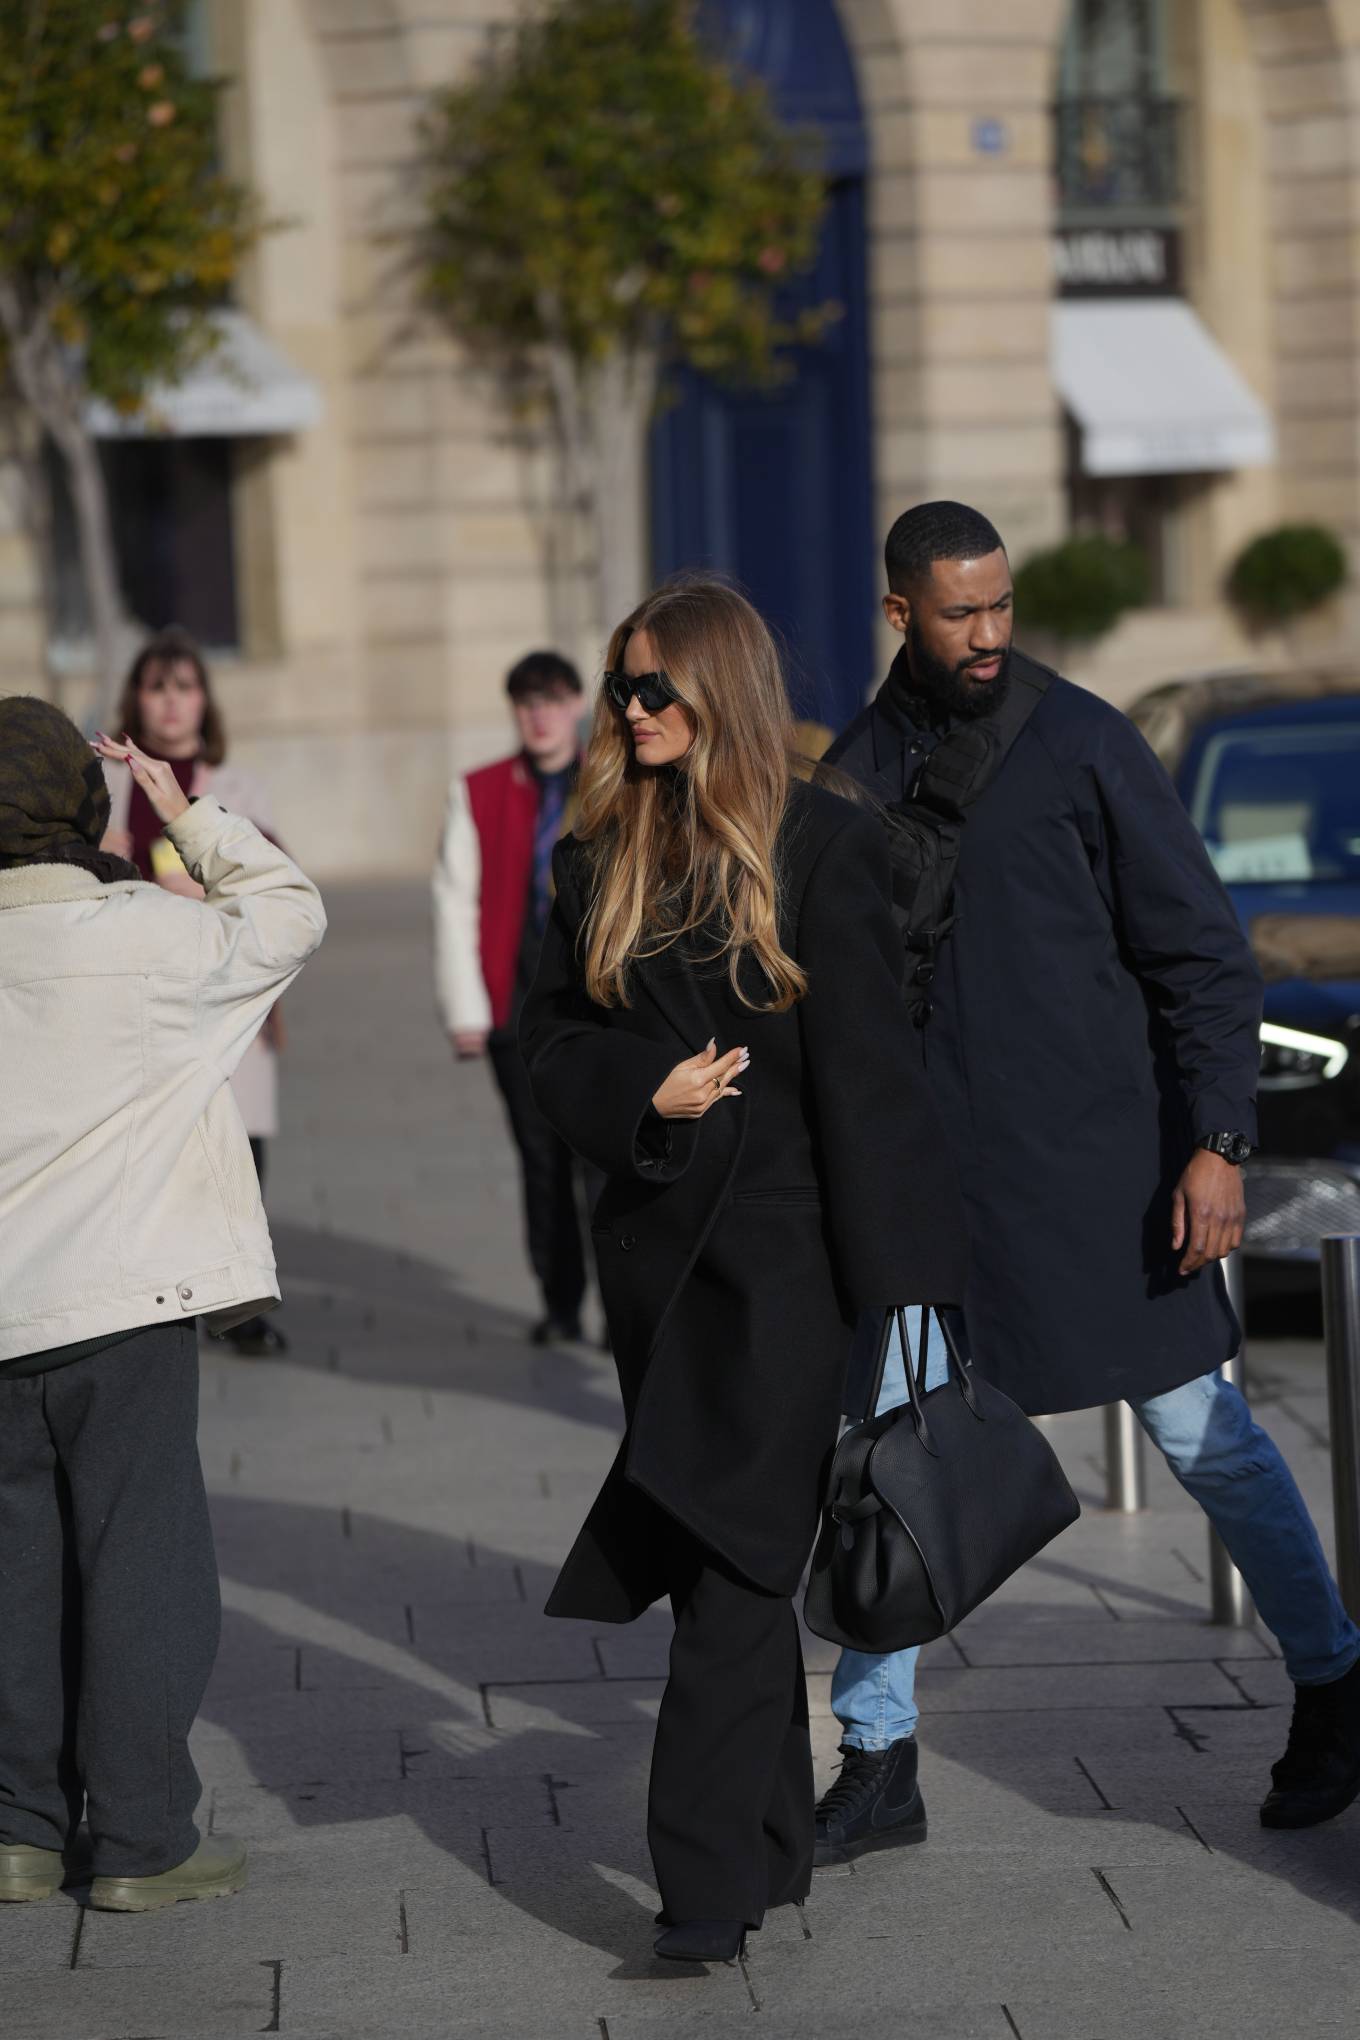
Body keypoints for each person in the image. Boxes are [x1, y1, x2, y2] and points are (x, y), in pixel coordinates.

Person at [812, 500, 1360, 1867]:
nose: (990, 635)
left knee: (1204, 1437)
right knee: (883, 1461)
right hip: (929, 1200)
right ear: (900, 616)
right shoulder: (858, 767)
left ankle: (1338, 1680)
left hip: (1112, 1187)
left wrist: (1218, 1146)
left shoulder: (1084, 741)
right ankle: (877, 1757)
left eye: (1001, 607)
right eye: (961, 613)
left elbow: (1204, 960)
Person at [519, 578, 966, 1962]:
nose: (636, 712)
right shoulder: (599, 854)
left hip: (785, 1272)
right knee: (742, 1559)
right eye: (623, 691)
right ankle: (773, 1849)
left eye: (660, 689)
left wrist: (907, 1303)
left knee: (727, 1574)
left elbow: (875, 1092)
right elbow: (548, 1051)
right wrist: (646, 1094)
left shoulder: (825, 848)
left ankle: (705, 1892)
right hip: (659, 1269)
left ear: (725, 690)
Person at [0, 700, 325, 1911]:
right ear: (85, 813)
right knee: (141, 1561)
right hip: (123, 1301)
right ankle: (141, 1840)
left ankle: (18, 1830)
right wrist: (182, 809)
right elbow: (292, 910)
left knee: (11, 1571)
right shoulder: (148, 931)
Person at [102, 627, 290, 1356]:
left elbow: (274, 893)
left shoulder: (235, 786)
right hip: (141, 1001)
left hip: (226, 998)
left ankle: (241, 1307)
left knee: (240, 1152)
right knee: (153, 1160)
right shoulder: (107, 785)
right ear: (137, 699)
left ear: (204, 700)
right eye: (158, 687)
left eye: (185, 687)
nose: (172, 702)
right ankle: (160, 1302)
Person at [433, 650, 595, 1344]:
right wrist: (468, 1013)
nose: (540, 716)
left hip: (602, 1008)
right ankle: (559, 1303)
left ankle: (624, 1310)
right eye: (527, 703)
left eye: (552, 701)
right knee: (542, 1160)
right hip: (519, 1008)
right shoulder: (480, 789)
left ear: (578, 705)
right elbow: (453, 900)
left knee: (607, 1164)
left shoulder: (614, 781)